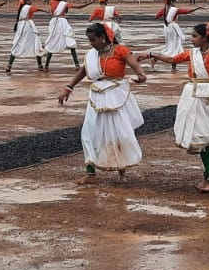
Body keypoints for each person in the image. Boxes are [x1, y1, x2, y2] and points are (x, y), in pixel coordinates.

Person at [140, 23, 209, 193]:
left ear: (205, 38)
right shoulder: (192, 53)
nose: (191, 39)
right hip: (193, 96)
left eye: (195, 36)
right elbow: (172, 59)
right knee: (202, 138)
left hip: (207, 97)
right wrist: (152, 55)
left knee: (205, 138)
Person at [55, 23, 147, 185]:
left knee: (118, 134)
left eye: (93, 40)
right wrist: (68, 88)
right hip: (96, 96)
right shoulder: (92, 55)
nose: (91, 43)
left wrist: (141, 75)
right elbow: (83, 71)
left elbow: (136, 66)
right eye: (89, 40)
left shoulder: (121, 50)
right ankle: (90, 173)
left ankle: (121, 170)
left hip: (116, 96)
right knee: (88, 132)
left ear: (103, 38)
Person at [42, 0, 89, 70]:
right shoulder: (64, 3)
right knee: (71, 43)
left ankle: (46, 66)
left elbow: (52, 12)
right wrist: (90, 3)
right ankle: (77, 64)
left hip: (54, 22)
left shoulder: (52, 2)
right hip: (62, 23)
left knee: (53, 42)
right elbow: (79, 7)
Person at [151, 0, 196, 72]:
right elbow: (186, 11)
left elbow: (156, 17)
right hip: (173, 30)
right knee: (175, 48)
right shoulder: (174, 10)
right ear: (171, 2)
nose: (175, 3)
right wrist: (196, 9)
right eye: (174, 2)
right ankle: (163, 62)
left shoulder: (165, 10)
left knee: (172, 48)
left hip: (168, 30)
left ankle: (158, 60)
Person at [5, 0, 43, 73]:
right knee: (36, 43)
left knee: (17, 44)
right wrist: (46, 11)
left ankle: (9, 65)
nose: (32, 1)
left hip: (22, 27)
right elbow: (37, 9)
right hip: (28, 27)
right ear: (28, 0)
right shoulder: (28, 7)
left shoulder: (22, 8)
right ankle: (40, 65)